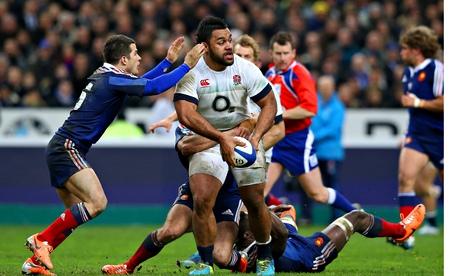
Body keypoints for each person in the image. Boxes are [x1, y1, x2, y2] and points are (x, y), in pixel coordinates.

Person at [21, 34, 204, 275]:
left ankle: (34, 263)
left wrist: (167, 62)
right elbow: (152, 87)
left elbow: (140, 84)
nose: (140, 57)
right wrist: (186, 65)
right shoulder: (111, 79)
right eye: (136, 53)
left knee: (75, 213)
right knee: (98, 202)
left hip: (60, 147)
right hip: (68, 147)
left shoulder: (109, 76)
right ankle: (41, 240)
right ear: (124, 58)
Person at [173, 16, 278, 275]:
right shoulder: (192, 74)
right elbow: (186, 115)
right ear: (206, 47)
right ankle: (206, 263)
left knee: (254, 201)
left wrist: (255, 140)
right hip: (208, 141)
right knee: (202, 200)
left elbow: (270, 105)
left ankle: (265, 256)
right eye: (221, 42)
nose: (229, 46)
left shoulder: (245, 68)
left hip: (242, 139)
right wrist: (220, 138)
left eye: (229, 39)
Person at [101, 118, 256, 275]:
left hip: (226, 195)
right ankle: (127, 267)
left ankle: (243, 261)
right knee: (170, 230)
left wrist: (247, 126)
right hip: (197, 191)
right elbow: (187, 146)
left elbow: (258, 115)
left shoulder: (233, 114)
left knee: (221, 257)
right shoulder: (191, 121)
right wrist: (226, 136)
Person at [263, 31, 357, 218]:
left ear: (293, 53)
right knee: (258, 192)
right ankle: (255, 239)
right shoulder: (270, 73)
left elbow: (310, 109)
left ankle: (356, 213)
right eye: (278, 53)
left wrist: (279, 114)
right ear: (271, 53)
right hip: (276, 139)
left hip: (297, 141)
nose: (282, 58)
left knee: (318, 193)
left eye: (286, 53)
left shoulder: (299, 74)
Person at [235, 203, 426, 273]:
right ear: (248, 235)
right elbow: (281, 235)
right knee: (356, 217)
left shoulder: (241, 244)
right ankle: (400, 231)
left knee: (287, 208)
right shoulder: (256, 252)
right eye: (255, 222)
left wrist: (268, 212)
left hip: (289, 240)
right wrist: (269, 215)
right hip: (308, 254)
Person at [388, 25, 443, 250]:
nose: (401, 53)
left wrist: (418, 102)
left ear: (416, 49)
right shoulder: (408, 73)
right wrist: (406, 133)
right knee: (405, 179)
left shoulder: (436, 69)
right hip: (417, 136)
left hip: (443, 136)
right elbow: (414, 111)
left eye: (404, 48)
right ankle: (406, 233)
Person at [302, 74, 346, 223]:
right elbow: (308, 120)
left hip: (330, 153)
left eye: (328, 87)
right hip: (314, 151)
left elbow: (334, 129)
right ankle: (306, 216)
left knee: (331, 184)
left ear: (333, 88)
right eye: (323, 87)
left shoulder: (338, 106)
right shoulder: (313, 102)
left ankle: (335, 216)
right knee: (307, 183)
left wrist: (313, 136)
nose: (326, 90)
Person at [414, 162, 442, 235]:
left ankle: (432, 224)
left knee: (424, 186)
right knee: (420, 188)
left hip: (431, 154)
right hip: (421, 155)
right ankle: (432, 224)